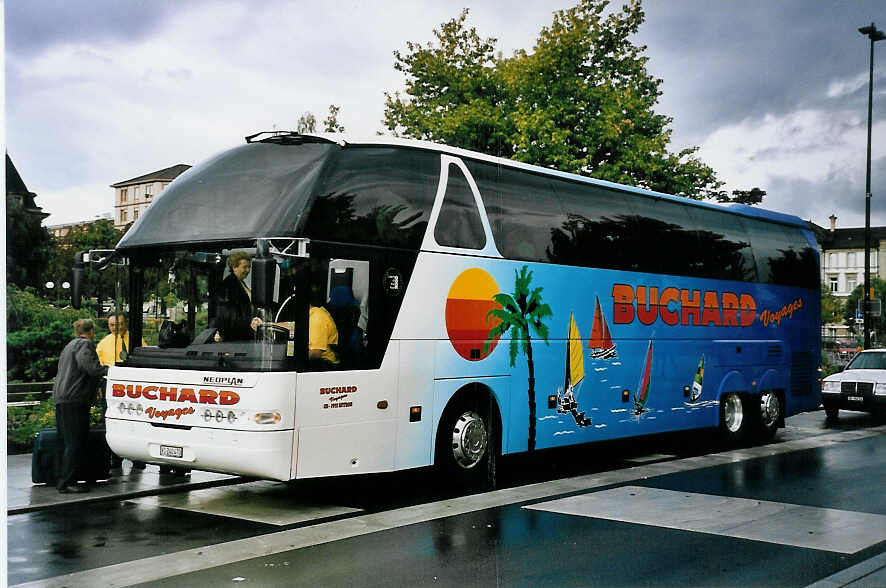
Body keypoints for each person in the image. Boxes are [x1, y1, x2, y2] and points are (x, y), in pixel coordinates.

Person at [53, 319, 108, 494]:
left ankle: (62, 478)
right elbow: (90, 368)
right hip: (75, 399)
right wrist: (109, 370)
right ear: (90, 331)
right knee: (75, 441)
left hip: (62, 397)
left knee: (66, 440)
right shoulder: (85, 345)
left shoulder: (70, 345)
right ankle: (67, 482)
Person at [96, 314, 146, 470]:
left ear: (125, 324)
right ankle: (115, 459)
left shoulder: (136, 340)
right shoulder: (103, 343)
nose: (115, 328)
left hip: (132, 386)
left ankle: (137, 458)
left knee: (135, 421)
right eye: (112, 325)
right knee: (112, 421)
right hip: (111, 385)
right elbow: (97, 367)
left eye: (119, 324)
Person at [213, 251, 254, 341]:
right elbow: (230, 316)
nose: (248, 270)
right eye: (244, 267)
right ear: (234, 267)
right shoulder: (228, 286)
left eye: (249, 267)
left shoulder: (240, 283)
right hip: (237, 337)